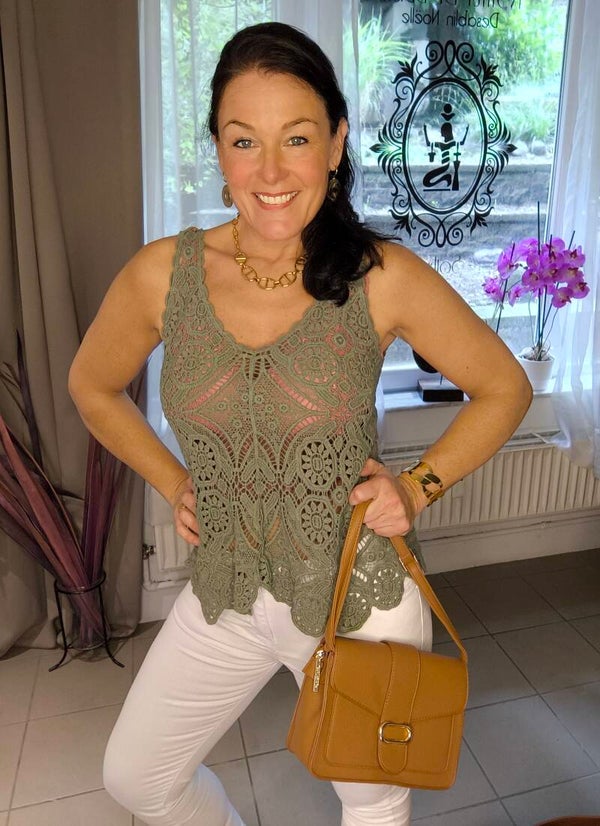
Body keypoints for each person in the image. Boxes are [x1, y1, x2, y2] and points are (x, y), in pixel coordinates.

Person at [68, 21, 532, 826]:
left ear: (336, 143)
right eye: (244, 141)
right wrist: (172, 480)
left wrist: (417, 487)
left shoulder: (380, 276)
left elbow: (504, 387)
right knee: (137, 777)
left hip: (359, 598)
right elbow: (93, 385)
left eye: (297, 138)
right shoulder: (162, 274)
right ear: (218, 149)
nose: (271, 171)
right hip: (227, 590)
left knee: (372, 802)